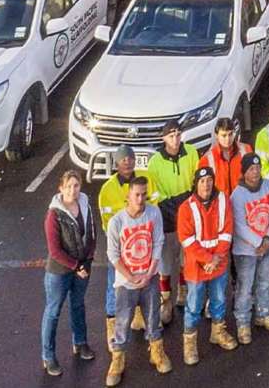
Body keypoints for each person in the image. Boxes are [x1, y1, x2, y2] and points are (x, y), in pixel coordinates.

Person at [104, 176, 170, 385]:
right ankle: (117, 360)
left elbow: (159, 241)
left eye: (144, 195)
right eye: (137, 195)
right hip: (126, 283)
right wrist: (131, 276)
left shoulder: (154, 213)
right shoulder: (117, 222)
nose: (141, 199)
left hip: (149, 279)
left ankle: (157, 352)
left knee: (153, 317)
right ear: (128, 196)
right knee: (122, 323)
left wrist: (150, 273)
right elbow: (113, 255)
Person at [177, 165, 237, 365]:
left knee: (219, 300)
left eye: (209, 180)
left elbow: (227, 231)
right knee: (194, 305)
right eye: (202, 181)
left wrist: (217, 258)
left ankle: (218, 332)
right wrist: (208, 259)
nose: (206, 185)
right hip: (197, 267)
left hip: (217, 263)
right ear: (196, 184)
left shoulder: (223, 201)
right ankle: (190, 342)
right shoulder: (186, 207)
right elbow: (187, 240)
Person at [42, 168, 96, 377]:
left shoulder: (84, 205)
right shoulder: (53, 215)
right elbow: (55, 251)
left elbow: (91, 235)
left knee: (78, 305)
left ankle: (80, 343)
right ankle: (48, 356)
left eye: (76, 186)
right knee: (53, 312)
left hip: (82, 267)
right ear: (61, 188)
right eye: (69, 186)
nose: (73, 190)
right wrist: (76, 267)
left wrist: (87, 261)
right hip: (60, 271)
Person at [143, 120, 198, 326]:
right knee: (165, 263)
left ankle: (182, 293)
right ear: (163, 138)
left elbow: (195, 182)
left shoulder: (191, 152)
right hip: (166, 219)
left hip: (189, 219)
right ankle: (165, 301)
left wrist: (185, 204)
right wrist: (179, 203)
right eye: (170, 135)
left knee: (186, 259)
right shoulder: (155, 162)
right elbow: (157, 194)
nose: (175, 139)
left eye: (177, 134)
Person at [229, 154, 269, 344]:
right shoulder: (237, 195)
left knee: (265, 282)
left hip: (268, 245)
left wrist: (268, 238)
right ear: (244, 172)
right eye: (252, 169)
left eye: (258, 168)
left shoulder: (268, 186)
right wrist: (258, 242)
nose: (256, 172)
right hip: (246, 251)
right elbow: (239, 225)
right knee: (245, 287)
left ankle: (264, 314)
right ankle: (243, 323)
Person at [97, 146, 142, 349]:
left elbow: (153, 206)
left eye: (130, 159)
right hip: (120, 246)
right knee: (113, 284)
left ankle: (139, 316)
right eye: (123, 160)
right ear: (116, 163)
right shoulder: (107, 190)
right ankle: (112, 324)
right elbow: (107, 222)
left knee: (143, 280)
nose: (127, 163)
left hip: (141, 243)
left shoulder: (143, 180)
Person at [198, 117, 251, 197]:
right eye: (224, 135)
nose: (228, 139)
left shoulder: (246, 150)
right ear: (216, 135)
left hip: (244, 201)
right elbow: (203, 190)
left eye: (230, 134)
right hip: (221, 205)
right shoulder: (206, 159)